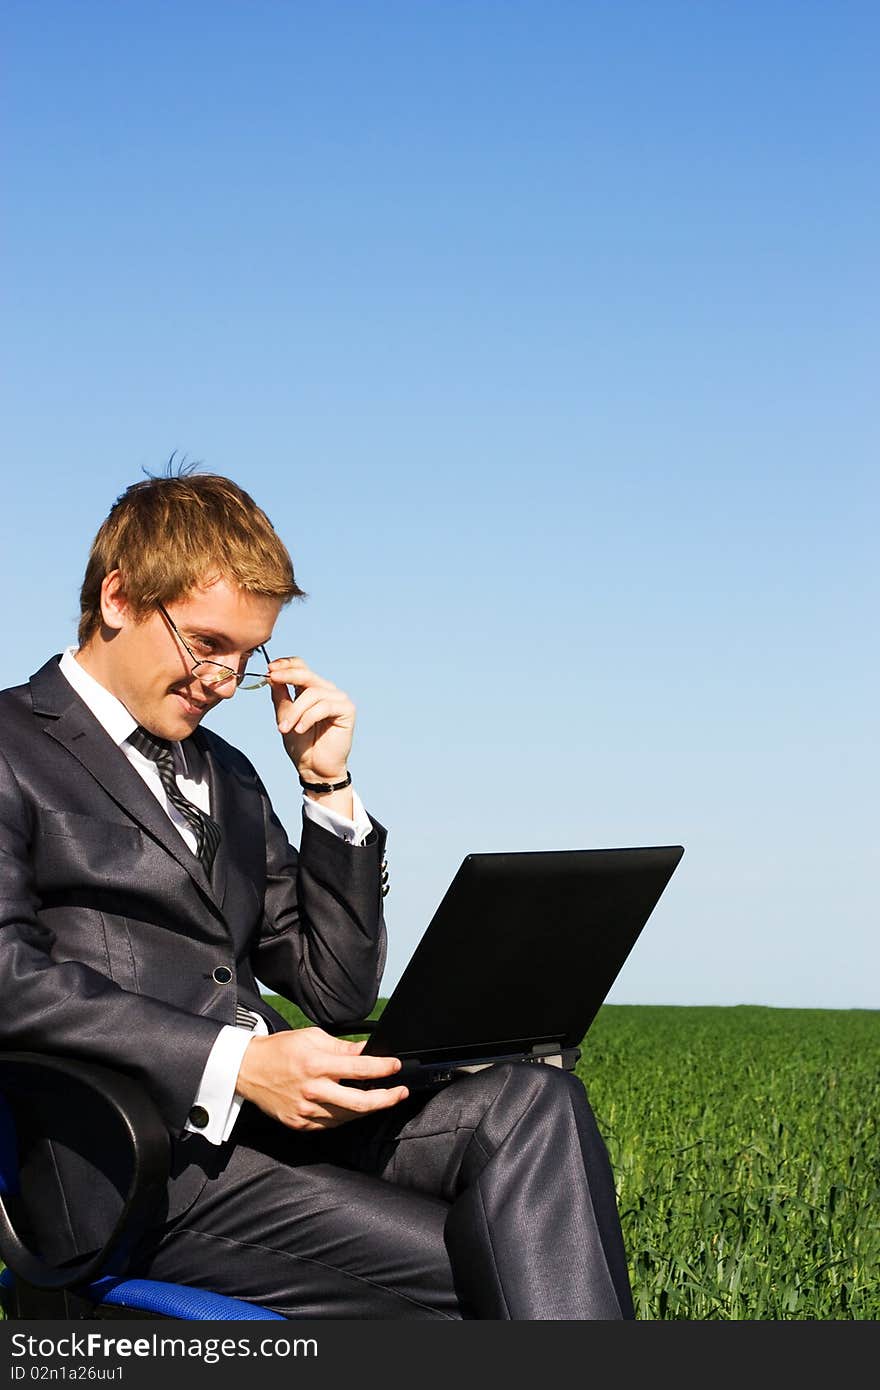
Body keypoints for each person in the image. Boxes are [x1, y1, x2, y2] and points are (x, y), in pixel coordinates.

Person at [0, 465, 634, 1320]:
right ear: (118, 598)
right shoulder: (11, 746)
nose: (225, 683)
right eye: (206, 644)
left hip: (279, 1136)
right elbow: (10, 976)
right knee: (522, 1261)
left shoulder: (225, 772)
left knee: (532, 1098)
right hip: (133, 1167)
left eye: (245, 655)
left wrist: (327, 791)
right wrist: (235, 1063)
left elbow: (334, 986)